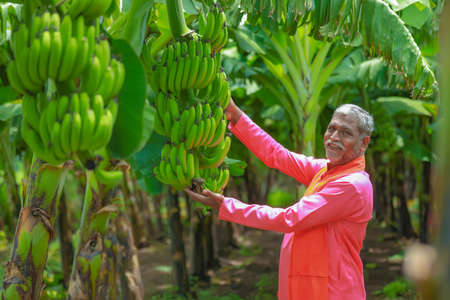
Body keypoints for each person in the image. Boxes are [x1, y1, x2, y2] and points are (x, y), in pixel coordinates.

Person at [185, 99, 374, 300]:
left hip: (333, 291)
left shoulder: (352, 185)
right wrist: (236, 116)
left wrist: (225, 205)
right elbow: (278, 155)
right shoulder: (326, 171)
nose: (333, 137)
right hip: (308, 285)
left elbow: (290, 218)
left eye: (346, 133)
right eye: (332, 129)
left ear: (364, 143)